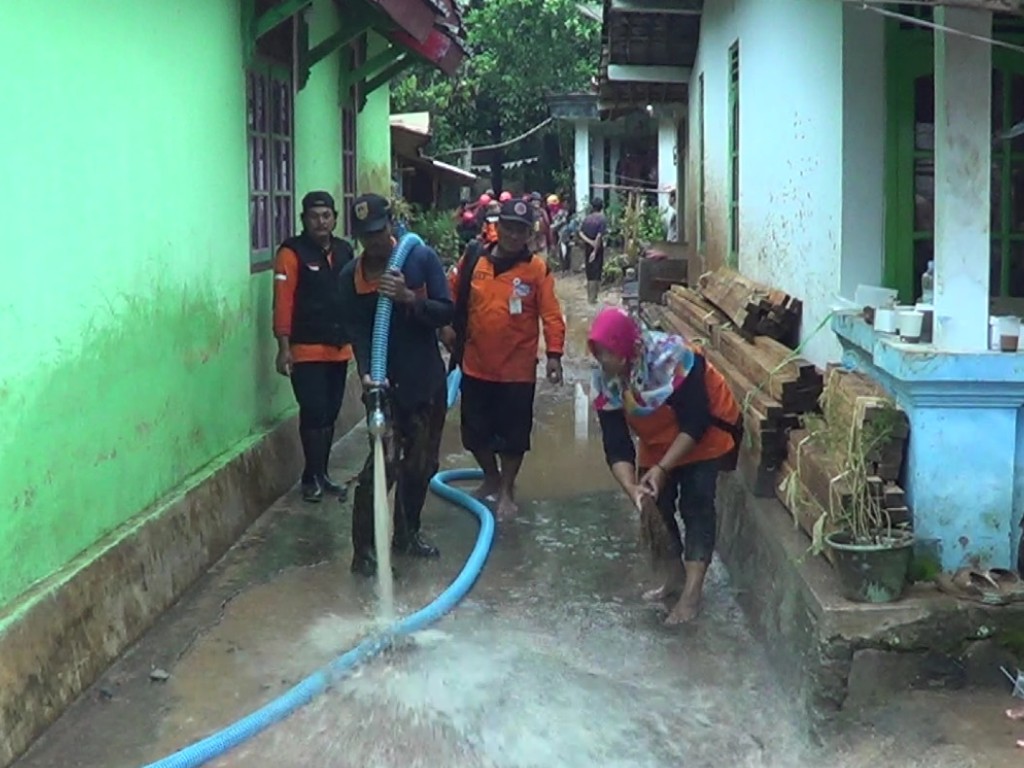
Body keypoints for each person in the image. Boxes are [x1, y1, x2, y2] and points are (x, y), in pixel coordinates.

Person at [588, 306, 742, 624]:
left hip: (705, 428)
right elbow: (615, 443)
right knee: (655, 504)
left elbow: (696, 420)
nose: (603, 360)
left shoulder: (672, 358)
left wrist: (662, 468)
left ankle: (692, 593)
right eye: (598, 352)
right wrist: (633, 489)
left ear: (627, 348)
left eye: (608, 352)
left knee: (696, 502)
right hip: (659, 434)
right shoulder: (605, 380)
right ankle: (673, 577)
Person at [338, 193, 454, 577]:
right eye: (365, 235)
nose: (373, 241)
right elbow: (355, 328)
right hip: (383, 386)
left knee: (420, 465)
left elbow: (445, 310)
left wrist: (407, 297)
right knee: (381, 465)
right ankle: (365, 551)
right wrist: (367, 370)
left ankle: (407, 533)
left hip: (423, 381)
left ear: (391, 224)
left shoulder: (419, 259)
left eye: (379, 231)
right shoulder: (350, 277)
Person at [440, 199, 566, 520]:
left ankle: (507, 489)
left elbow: (552, 315)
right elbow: (448, 293)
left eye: (520, 230)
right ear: (497, 227)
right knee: (474, 433)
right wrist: (445, 327)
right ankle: (490, 476)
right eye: (508, 227)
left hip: (517, 372)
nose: (513, 235)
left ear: (528, 234)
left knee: (513, 438)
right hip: (476, 364)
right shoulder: (473, 259)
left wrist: (554, 355)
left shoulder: (537, 270)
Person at [273, 191, 356, 503]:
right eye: (313, 216)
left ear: (334, 218)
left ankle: (321, 474)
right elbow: (282, 302)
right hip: (305, 349)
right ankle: (312, 477)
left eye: (326, 215)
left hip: (339, 349)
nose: (320, 222)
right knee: (314, 412)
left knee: (331, 414)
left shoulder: (345, 251)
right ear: (303, 220)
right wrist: (283, 347)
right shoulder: (291, 253)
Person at [579, 198, 607, 304]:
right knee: (596, 273)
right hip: (597, 248)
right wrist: (595, 250)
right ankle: (593, 298)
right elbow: (599, 236)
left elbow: (581, 233)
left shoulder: (587, 219)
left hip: (587, 247)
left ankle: (589, 297)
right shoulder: (602, 219)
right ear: (601, 207)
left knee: (589, 272)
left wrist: (590, 242)